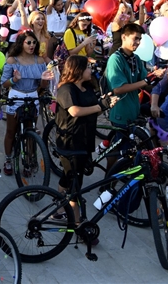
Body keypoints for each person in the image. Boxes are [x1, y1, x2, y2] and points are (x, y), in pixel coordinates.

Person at [55, 56, 118, 222]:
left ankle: (58, 205)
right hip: (70, 142)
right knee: (76, 183)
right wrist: (100, 106)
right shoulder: (66, 89)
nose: (91, 70)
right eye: (88, 68)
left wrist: (106, 104)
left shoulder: (87, 88)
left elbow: (93, 110)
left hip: (85, 139)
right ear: (78, 70)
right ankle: (77, 223)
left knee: (69, 175)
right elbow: (74, 111)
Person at [105, 23, 165, 166]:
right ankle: (109, 180)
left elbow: (146, 83)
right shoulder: (116, 59)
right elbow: (118, 89)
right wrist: (146, 80)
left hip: (133, 109)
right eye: (135, 38)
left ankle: (110, 175)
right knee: (124, 151)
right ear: (124, 37)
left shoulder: (136, 59)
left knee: (119, 145)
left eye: (140, 40)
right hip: (120, 111)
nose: (138, 43)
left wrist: (158, 77)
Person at [0, 31, 54, 175]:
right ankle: (8, 159)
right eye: (28, 42)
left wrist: (44, 79)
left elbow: (43, 85)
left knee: (30, 130)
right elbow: (4, 83)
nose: (32, 45)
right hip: (16, 96)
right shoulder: (12, 60)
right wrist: (14, 80)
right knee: (11, 130)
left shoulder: (40, 61)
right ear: (21, 43)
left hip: (33, 96)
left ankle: (29, 160)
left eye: (34, 42)